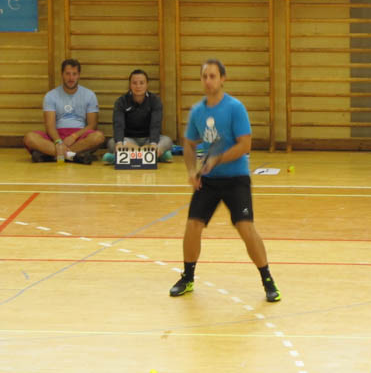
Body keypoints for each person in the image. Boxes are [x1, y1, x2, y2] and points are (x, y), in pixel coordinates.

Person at [169, 59, 280, 302]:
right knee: (193, 225)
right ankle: (187, 278)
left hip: (236, 179)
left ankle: (268, 280)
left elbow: (245, 145)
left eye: (212, 76)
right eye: (204, 76)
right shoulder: (198, 112)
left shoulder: (235, 108)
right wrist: (192, 171)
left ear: (222, 79)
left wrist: (218, 159)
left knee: (245, 227)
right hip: (209, 181)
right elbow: (189, 144)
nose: (208, 81)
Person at [23, 59, 105, 164]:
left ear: (79, 75)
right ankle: (73, 156)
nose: (71, 78)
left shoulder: (89, 95)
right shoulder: (51, 96)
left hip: (79, 136)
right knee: (29, 138)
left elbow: (92, 125)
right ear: (62, 74)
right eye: (67, 74)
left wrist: (73, 137)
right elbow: (50, 126)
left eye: (74, 74)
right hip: (56, 136)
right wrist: (58, 142)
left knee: (98, 137)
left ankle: (51, 155)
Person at [103, 69, 173, 163]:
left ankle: (120, 157)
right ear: (130, 85)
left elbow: (155, 124)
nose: (138, 86)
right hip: (129, 140)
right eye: (134, 83)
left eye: (141, 83)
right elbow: (118, 124)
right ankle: (155, 156)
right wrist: (119, 143)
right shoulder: (121, 101)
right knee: (112, 143)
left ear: (147, 84)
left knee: (167, 141)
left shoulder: (155, 100)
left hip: (149, 139)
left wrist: (153, 144)